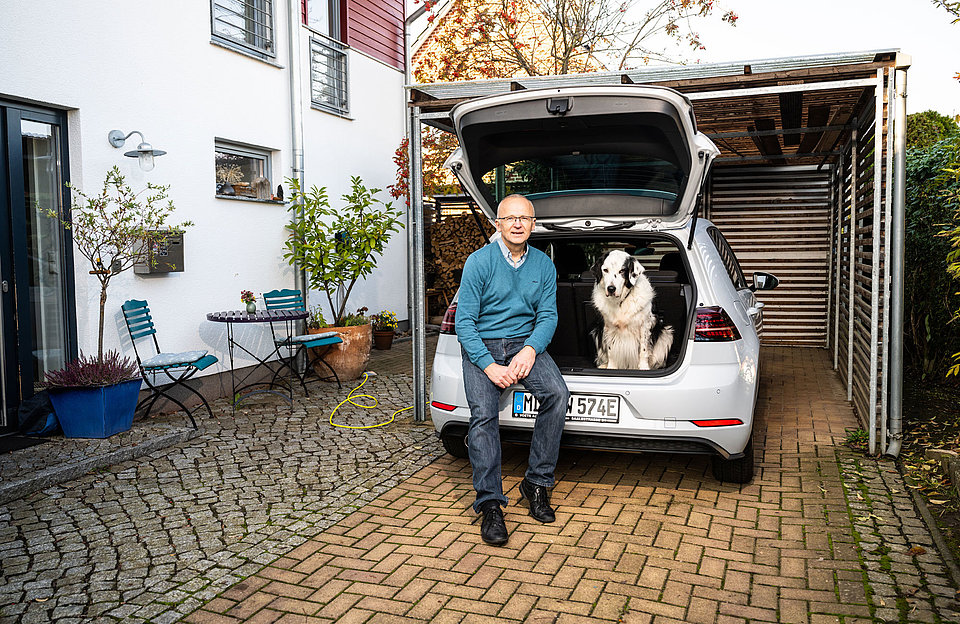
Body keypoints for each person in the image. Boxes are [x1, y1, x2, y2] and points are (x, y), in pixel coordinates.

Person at [455, 193, 570, 546]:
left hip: (524, 343)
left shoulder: (544, 265)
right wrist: (489, 366)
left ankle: (536, 483)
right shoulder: (479, 262)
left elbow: (548, 316)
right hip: (483, 345)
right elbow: (464, 322)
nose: (518, 224)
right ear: (498, 224)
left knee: (557, 394)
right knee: (484, 416)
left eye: (524, 218)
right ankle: (489, 503)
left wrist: (531, 351)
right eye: (510, 218)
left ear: (534, 225)